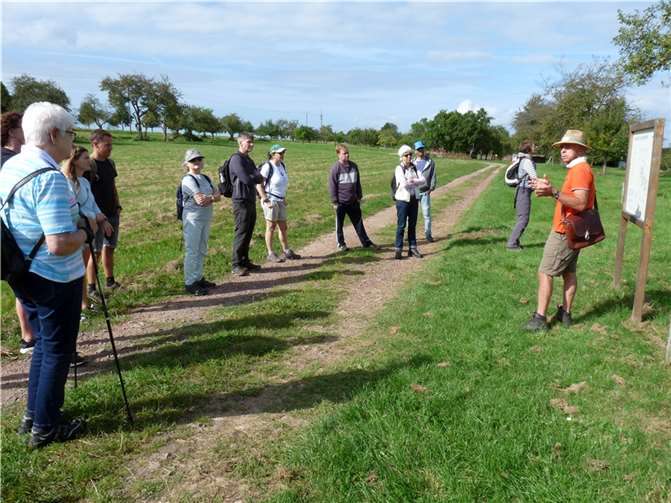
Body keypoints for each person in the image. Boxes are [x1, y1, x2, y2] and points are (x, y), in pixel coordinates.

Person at [0, 102, 91, 448]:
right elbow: (59, 243)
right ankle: (47, 427)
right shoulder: (50, 178)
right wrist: (84, 233)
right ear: (54, 135)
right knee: (57, 350)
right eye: (70, 133)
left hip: (23, 272)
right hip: (54, 277)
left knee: (42, 347)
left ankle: (33, 416)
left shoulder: (13, 165)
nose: (72, 140)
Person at [525, 130, 596, 331]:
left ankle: (540, 319)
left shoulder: (580, 170)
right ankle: (565, 314)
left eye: (568, 146)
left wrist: (553, 192)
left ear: (581, 149)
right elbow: (571, 198)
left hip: (564, 232)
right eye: (561, 147)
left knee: (545, 272)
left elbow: (581, 203)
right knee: (569, 273)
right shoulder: (577, 169)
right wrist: (549, 189)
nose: (563, 151)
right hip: (573, 230)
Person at [61, 146, 113, 312]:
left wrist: (102, 218)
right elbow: (75, 207)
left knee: (81, 270)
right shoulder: (66, 182)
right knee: (75, 271)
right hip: (75, 230)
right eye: (84, 158)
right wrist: (94, 216)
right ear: (74, 161)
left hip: (88, 230)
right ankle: (77, 307)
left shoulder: (84, 181)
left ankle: (84, 304)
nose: (88, 160)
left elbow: (92, 203)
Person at [2, 111, 36, 354]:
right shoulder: (8, 161)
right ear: (13, 131)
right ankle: (30, 338)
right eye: (23, 127)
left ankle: (29, 336)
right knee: (24, 286)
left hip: (11, 236)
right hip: (12, 237)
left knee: (21, 285)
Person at [84, 129, 121, 303]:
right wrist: (96, 216)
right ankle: (91, 288)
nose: (110, 148)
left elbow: (112, 186)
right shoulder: (89, 165)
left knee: (110, 248)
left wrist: (117, 204)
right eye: (107, 145)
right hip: (96, 216)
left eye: (111, 145)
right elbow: (85, 194)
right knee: (95, 251)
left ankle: (110, 281)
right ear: (95, 144)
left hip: (112, 212)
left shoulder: (110, 163)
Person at [180, 149, 220, 295]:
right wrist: (212, 197)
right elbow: (200, 200)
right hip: (193, 219)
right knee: (192, 250)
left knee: (202, 248)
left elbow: (218, 195)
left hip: (205, 217)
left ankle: (198, 278)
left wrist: (210, 197)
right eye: (193, 160)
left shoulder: (206, 178)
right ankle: (190, 282)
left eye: (199, 159)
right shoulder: (188, 179)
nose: (196, 162)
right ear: (187, 164)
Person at [328, 144, 377, 252]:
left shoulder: (354, 166)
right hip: (341, 202)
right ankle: (341, 244)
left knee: (359, 222)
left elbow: (357, 182)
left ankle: (366, 242)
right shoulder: (335, 168)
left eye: (348, 153)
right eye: (344, 153)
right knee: (339, 225)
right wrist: (335, 202)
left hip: (353, 201)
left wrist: (359, 196)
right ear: (338, 154)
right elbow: (332, 186)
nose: (347, 155)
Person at [257, 144, 301, 263]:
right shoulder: (267, 166)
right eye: (280, 153)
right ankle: (270, 253)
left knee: (283, 227)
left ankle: (286, 251)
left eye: (283, 153)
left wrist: (284, 197)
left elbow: (281, 183)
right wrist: (265, 199)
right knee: (271, 227)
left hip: (280, 200)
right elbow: (258, 184)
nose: (282, 155)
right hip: (271, 200)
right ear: (273, 154)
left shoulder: (282, 165)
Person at [229, 132, 264, 276]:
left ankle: (245, 261)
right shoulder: (236, 159)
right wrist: (256, 176)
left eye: (252, 142)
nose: (252, 144)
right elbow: (248, 179)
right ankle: (236, 264)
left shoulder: (248, 159)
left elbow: (258, 177)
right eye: (249, 142)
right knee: (242, 231)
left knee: (249, 231)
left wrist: (256, 176)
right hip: (240, 200)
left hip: (249, 199)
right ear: (241, 143)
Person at [393, 145, 426, 260]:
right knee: (401, 225)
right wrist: (415, 182)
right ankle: (398, 249)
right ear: (401, 157)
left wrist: (412, 181)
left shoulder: (415, 167)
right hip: (402, 200)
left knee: (412, 225)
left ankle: (412, 248)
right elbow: (403, 184)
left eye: (410, 155)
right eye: (406, 155)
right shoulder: (399, 169)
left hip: (413, 199)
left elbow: (423, 180)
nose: (409, 157)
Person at [507, 140, 538, 251]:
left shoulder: (522, 159)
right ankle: (512, 244)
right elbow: (534, 177)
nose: (536, 147)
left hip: (522, 191)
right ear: (529, 148)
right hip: (524, 192)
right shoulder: (527, 161)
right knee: (523, 219)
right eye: (534, 145)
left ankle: (516, 241)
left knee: (522, 218)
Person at [412, 140, 437, 242]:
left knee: (426, 214)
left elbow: (433, 176)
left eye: (422, 148)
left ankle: (428, 235)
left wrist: (431, 188)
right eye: (419, 149)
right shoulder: (412, 163)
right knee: (412, 215)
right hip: (414, 192)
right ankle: (410, 235)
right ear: (415, 151)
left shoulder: (430, 162)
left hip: (425, 192)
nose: (421, 151)